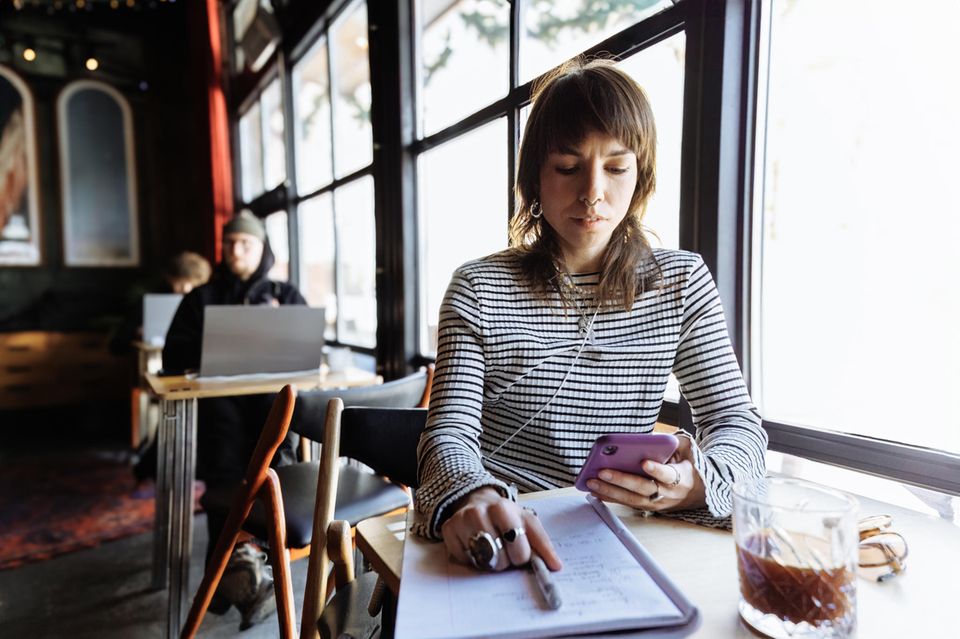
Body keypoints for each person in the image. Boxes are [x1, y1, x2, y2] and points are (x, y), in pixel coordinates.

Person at [414, 58, 768, 574]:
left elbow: (736, 423)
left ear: (640, 177)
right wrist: (474, 497)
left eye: (617, 168)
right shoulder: (479, 288)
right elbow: (448, 433)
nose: (593, 193)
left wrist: (698, 484)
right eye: (567, 167)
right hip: (506, 536)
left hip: (621, 539)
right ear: (534, 177)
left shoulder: (680, 282)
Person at [163, 210, 306, 629]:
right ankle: (241, 562)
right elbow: (172, 354)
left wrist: (276, 325)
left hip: (271, 405)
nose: (235, 250)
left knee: (279, 432)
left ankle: (241, 563)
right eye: (229, 243)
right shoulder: (200, 298)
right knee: (223, 432)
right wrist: (221, 339)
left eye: (245, 243)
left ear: (262, 248)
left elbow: (309, 353)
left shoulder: (285, 294)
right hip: (220, 405)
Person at [108, 250, 212, 356]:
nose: (186, 289)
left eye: (193, 285)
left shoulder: (203, 304)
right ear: (170, 279)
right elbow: (117, 343)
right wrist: (136, 333)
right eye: (180, 283)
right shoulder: (150, 302)